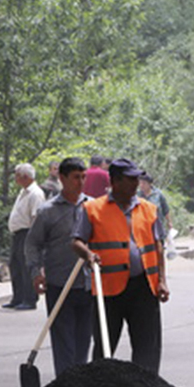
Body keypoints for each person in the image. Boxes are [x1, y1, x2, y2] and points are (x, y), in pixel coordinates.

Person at [73, 158, 170, 374]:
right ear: (115, 181)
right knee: (104, 347)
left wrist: (162, 281)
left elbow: (158, 247)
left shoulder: (149, 209)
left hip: (144, 287)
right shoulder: (92, 209)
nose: (136, 184)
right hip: (108, 288)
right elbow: (76, 241)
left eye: (137, 179)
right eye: (131, 179)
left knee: (148, 347)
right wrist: (88, 255)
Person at [26, 157, 94, 376]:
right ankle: (65, 385)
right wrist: (37, 272)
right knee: (63, 339)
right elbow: (33, 244)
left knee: (84, 338)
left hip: (89, 284)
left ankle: (81, 384)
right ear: (62, 178)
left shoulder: (93, 207)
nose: (81, 182)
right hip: (59, 283)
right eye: (76, 177)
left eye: (84, 177)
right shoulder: (48, 211)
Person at [4, 163, 44, 311]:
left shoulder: (35, 194)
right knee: (15, 265)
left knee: (26, 266)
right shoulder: (24, 192)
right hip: (18, 233)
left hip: (27, 232)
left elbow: (36, 217)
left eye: (17, 176)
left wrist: (34, 239)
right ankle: (18, 297)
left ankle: (29, 298)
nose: (15, 179)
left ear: (26, 177)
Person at [137, 175, 172, 240]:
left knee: (159, 246)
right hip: (143, 228)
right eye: (140, 183)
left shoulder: (158, 194)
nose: (141, 185)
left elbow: (165, 209)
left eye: (144, 183)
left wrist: (169, 222)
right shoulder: (137, 195)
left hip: (158, 227)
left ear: (150, 184)